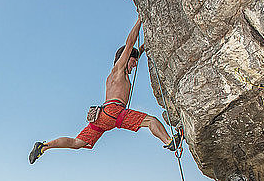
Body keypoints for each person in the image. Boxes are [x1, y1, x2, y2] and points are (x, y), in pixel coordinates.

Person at [29, 17, 182, 165]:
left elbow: (133, 53)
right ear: (125, 57)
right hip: (114, 111)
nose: (135, 66)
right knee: (151, 121)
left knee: (77, 143)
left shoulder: (115, 75)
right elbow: (129, 44)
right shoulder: (118, 69)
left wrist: (141, 49)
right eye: (133, 62)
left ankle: (43, 147)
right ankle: (169, 141)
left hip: (102, 117)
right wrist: (140, 20)